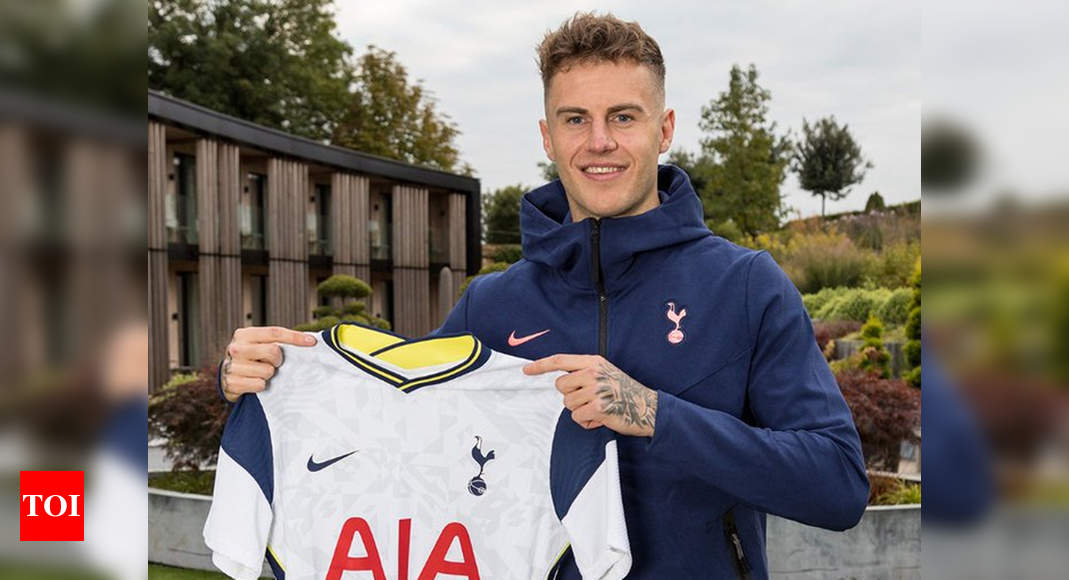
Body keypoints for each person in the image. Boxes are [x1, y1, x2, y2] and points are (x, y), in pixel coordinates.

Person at [220, 12, 868, 579]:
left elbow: (836, 486)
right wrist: (276, 381)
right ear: (547, 136)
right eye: (574, 119)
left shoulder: (745, 286)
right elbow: (392, 439)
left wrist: (653, 414)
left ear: (663, 128)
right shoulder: (490, 305)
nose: (599, 142)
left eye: (623, 116)